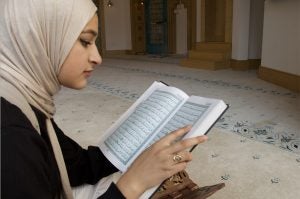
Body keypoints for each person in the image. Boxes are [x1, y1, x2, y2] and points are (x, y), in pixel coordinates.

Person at [0, 0, 208, 198]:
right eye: (85, 41)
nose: (97, 58)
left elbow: (75, 165)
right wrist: (134, 183)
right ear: (37, 39)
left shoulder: (25, 98)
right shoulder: (10, 134)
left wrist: (140, 151)